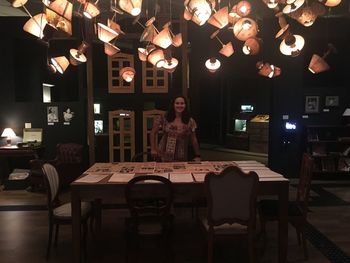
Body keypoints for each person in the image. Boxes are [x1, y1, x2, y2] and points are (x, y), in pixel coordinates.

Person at [150, 95, 201, 162]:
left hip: (181, 155)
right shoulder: (164, 117)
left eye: (182, 103)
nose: (179, 106)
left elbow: (193, 139)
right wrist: (153, 149)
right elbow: (153, 133)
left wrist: (198, 155)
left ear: (185, 105)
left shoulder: (190, 121)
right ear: (173, 104)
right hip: (163, 153)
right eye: (177, 103)